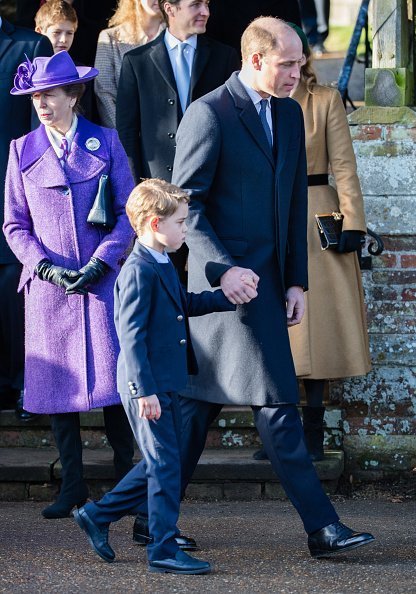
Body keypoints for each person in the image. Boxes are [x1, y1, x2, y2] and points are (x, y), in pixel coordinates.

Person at [168, 17, 375, 558]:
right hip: (225, 291)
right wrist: (222, 271)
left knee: (195, 413)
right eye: (287, 64)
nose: (296, 73)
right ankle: (323, 529)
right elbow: (187, 209)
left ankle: (131, 513)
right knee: (278, 401)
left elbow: (292, 207)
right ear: (256, 59)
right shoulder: (208, 113)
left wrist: (298, 281)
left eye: (299, 63)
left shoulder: (288, 112)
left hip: (269, 285)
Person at [73, 178, 236, 575]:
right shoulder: (137, 270)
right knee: (164, 465)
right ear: (154, 223)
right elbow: (130, 336)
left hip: (165, 380)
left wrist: (227, 296)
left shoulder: (161, 261)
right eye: (180, 221)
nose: (185, 228)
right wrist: (143, 390)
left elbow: (184, 304)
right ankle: (162, 548)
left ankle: (97, 514)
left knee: (161, 462)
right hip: (145, 385)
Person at [3, 51, 136, 519]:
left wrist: (103, 262)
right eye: (35, 95)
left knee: (116, 388)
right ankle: (73, 486)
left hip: (101, 285)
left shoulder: (107, 142)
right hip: (49, 287)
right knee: (60, 392)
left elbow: (129, 214)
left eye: (50, 94)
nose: (41, 103)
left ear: (73, 95)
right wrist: (44, 267)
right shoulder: (22, 150)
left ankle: (126, 484)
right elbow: (14, 225)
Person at [288, 23, 371, 458]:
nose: (292, 62)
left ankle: (313, 430)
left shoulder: (324, 101)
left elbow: (345, 166)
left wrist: (353, 223)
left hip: (315, 210)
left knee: (314, 324)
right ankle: (280, 429)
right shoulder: (257, 101)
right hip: (268, 214)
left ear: (304, 56)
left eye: (297, 53)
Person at [116, 0, 240, 282]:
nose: (206, 11)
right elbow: (127, 132)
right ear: (169, 8)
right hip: (157, 200)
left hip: (212, 198)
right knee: (162, 288)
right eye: (195, 4)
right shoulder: (136, 62)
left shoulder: (225, 58)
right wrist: (140, 189)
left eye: (208, 4)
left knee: (207, 286)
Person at [0, 17, 52, 421]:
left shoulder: (30, 45)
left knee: (11, 291)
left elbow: (40, 133)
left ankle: (21, 384)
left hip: (10, 189)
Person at [94, 0, 165, 128]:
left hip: (168, 133)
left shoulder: (177, 37)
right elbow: (104, 93)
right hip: (124, 133)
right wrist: (123, 134)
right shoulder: (110, 38)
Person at [34, 0, 96, 120]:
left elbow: (84, 115)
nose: (63, 39)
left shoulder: (79, 73)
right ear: (39, 32)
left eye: (69, 33)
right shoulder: (27, 70)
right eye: (57, 32)